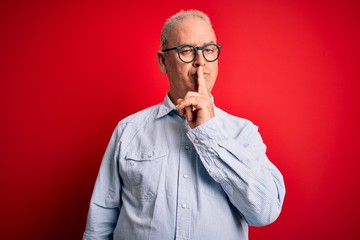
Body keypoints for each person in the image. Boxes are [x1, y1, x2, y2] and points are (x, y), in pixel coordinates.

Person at [83, 9, 285, 240]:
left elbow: (265, 212)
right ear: (163, 61)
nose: (201, 62)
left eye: (209, 50)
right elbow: (99, 225)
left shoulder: (243, 133)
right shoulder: (128, 130)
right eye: (187, 51)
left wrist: (209, 132)